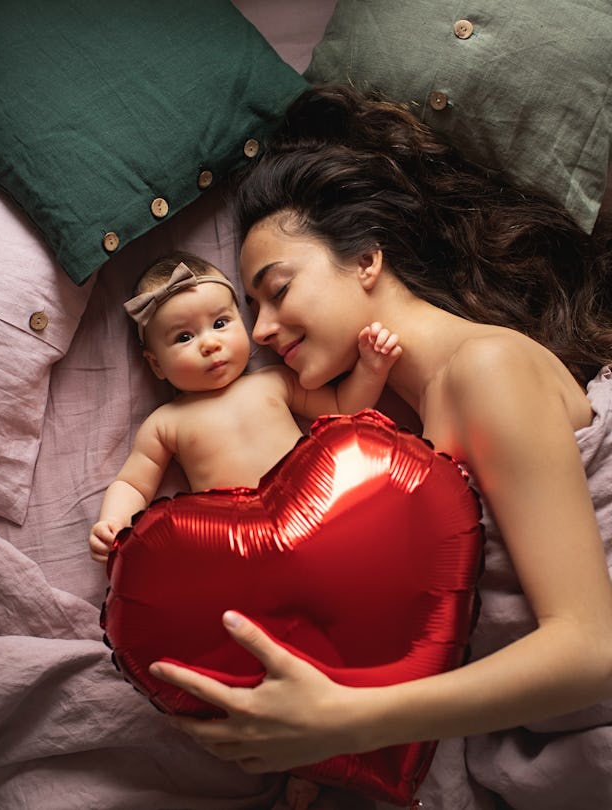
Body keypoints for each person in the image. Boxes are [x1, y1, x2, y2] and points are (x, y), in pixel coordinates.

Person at [146, 86, 612, 809]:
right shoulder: (403, 420)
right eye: (253, 310)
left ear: (365, 258)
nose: (261, 330)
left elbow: (591, 650)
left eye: (276, 290)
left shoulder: (489, 368)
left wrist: (344, 717)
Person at [89, 251, 401, 810]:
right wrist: (115, 521)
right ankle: (313, 760)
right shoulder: (168, 423)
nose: (209, 343)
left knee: (355, 626)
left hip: (320, 525)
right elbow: (136, 484)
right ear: (154, 365)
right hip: (244, 558)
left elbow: (341, 409)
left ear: (244, 327)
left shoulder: (274, 383)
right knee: (275, 654)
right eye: (182, 338)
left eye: (220, 323)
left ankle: (375, 720)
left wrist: (371, 371)